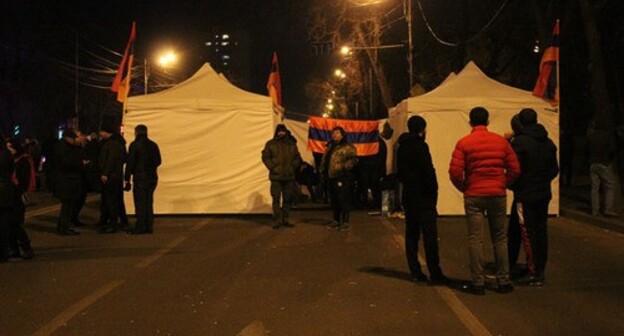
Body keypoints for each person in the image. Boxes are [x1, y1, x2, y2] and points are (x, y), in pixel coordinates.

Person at [449, 107, 520, 295]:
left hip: (474, 194)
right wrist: (503, 183)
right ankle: (503, 279)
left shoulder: (464, 143)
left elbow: (455, 172)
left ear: (470, 122)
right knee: (500, 238)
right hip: (497, 194)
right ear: (487, 121)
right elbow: (515, 168)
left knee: (475, 239)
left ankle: (478, 282)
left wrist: (465, 186)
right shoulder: (501, 142)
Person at [510, 108, 559, 286]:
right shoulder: (548, 142)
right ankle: (540, 266)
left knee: (527, 232)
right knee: (540, 231)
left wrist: (515, 185)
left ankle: (534, 271)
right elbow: (554, 169)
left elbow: (513, 169)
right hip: (543, 193)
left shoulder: (519, 143)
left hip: (526, 194)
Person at [397, 116, 446, 284]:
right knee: (429, 237)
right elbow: (428, 172)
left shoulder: (401, 146)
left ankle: (415, 271)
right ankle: (435, 272)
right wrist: (434, 193)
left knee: (411, 235)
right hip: (424, 197)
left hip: (409, 196)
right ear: (422, 129)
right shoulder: (421, 146)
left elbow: (401, 173)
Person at [261, 124, 302, 229]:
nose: (281, 133)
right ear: (276, 132)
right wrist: (272, 167)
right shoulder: (270, 144)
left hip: (289, 176)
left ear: (285, 132)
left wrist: (293, 167)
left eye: (283, 131)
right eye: (279, 131)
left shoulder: (291, 144)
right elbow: (265, 157)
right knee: (276, 199)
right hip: (276, 177)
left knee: (287, 199)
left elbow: (297, 157)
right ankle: (277, 220)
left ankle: (286, 219)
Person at [124, 125, 162, 234]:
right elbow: (158, 161)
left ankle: (140, 226)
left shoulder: (134, 145)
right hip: (152, 177)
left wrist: (127, 178)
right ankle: (149, 226)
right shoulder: (153, 145)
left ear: (136, 133)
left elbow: (130, 163)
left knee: (140, 203)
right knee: (149, 202)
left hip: (140, 177)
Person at [320, 127, 358, 231]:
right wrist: (322, 170)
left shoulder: (348, 147)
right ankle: (336, 220)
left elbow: (354, 159)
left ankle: (345, 221)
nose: (334, 135)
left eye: (337, 133)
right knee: (334, 199)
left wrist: (344, 167)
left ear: (342, 135)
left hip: (342, 176)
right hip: (331, 176)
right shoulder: (330, 146)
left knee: (343, 199)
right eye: (333, 133)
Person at [5, 139, 35, 259]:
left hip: (16, 196)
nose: (9, 150)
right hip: (9, 194)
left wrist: (16, 189)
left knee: (15, 224)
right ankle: (14, 249)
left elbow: (23, 180)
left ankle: (26, 248)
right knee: (9, 224)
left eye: (10, 148)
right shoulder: (10, 160)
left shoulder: (23, 161)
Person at [53, 129, 85, 236]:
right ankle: (63, 228)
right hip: (67, 180)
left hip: (67, 180)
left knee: (68, 206)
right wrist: (81, 163)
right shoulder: (64, 148)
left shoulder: (63, 147)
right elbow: (68, 162)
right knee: (67, 206)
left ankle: (63, 226)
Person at [98, 123, 127, 233]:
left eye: (101, 131)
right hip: (116, 175)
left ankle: (113, 224)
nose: (100, 134)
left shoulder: (111, 144)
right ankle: (121, 221)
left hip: (111, 176)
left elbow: (110, 159)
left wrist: (105, 173)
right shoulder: (119, 143)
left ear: (106, 132)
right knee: (117, 200)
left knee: (110, 201)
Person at [586, 121, 618, 217]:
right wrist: (609, 160)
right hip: (604, 162)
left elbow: (586, 150)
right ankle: (608, 209)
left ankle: (595, 210)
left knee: (595, 187)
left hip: (593, 163)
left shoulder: (591, 136)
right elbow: (612, 149)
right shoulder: (608, 136)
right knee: (610, 185)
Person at [1, 135, 16, 262]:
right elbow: (11, 170)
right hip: (5, 190)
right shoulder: (6, 154)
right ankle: (3, 251)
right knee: (4, 223)